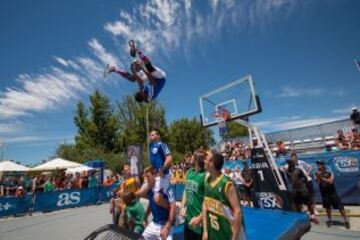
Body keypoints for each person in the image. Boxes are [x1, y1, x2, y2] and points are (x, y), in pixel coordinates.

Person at [202, 150, 246, 240]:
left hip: (229, 235)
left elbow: (238, 212)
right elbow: (205, 204)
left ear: (212, 163)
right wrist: (205, 231)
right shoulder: (207, 181)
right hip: (215, 234)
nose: (204, 161)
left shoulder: (226, 183)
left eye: (206, 158)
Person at [139, 166, 176, 240]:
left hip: (165, 224)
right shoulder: (149, 188)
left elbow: (173, 207)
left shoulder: (166, 187)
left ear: (155, 175)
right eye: (145, 177)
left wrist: (167, 227)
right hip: (154, 224)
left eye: (148, 176)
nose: (146, 179)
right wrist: (145, 216)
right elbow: (151, 203)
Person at [315, 160, 350, 229]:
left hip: (332, 193)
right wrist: (318, 177)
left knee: (340, 207)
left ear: (323, 164)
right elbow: (318, 182)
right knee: (327, 208)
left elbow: (331, 181)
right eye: (318, 164)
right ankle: (330, 220)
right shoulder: (316, 173)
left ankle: (346, 221)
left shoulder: (329, 171)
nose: (319, 165)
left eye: (320, 164)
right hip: (324, 193)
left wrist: (321, 178)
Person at [181, 149, 206, 240]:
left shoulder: (205, 176)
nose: (190, 157)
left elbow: (208, 201)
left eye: (192, 156)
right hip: (188, 220)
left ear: (196, 159)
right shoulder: (189, 173)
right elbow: (185, 191)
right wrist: (182, 207)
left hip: (200, 222)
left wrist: (200, 218)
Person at [285, 159, 319, 224]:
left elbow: (305, 178)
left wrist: (303, 185)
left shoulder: (298, 170)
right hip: (295, 190)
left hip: (302, 189)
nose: (291, 164)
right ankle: (299, 217)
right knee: (297, 204)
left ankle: (313, 216)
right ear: (288, 164)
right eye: (289, 163)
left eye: (291, 162)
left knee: (308, 203)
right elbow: (290, 180)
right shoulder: (287, 172)